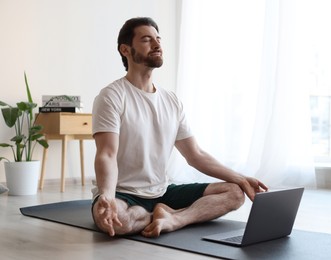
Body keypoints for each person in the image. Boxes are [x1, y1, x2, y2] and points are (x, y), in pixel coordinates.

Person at [91, 17, 268, 238]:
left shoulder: (171, 101)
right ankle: (157, 214)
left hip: (162, 191)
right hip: (123, 193)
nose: (157, 45)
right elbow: (107, 153)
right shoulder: (112, 96)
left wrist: (240, 178)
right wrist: (106, 195)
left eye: (158, 39)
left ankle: (174, 218)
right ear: (125, 50)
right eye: (147, 40)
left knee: (234, 193)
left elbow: (195, 154)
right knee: (118, 222)